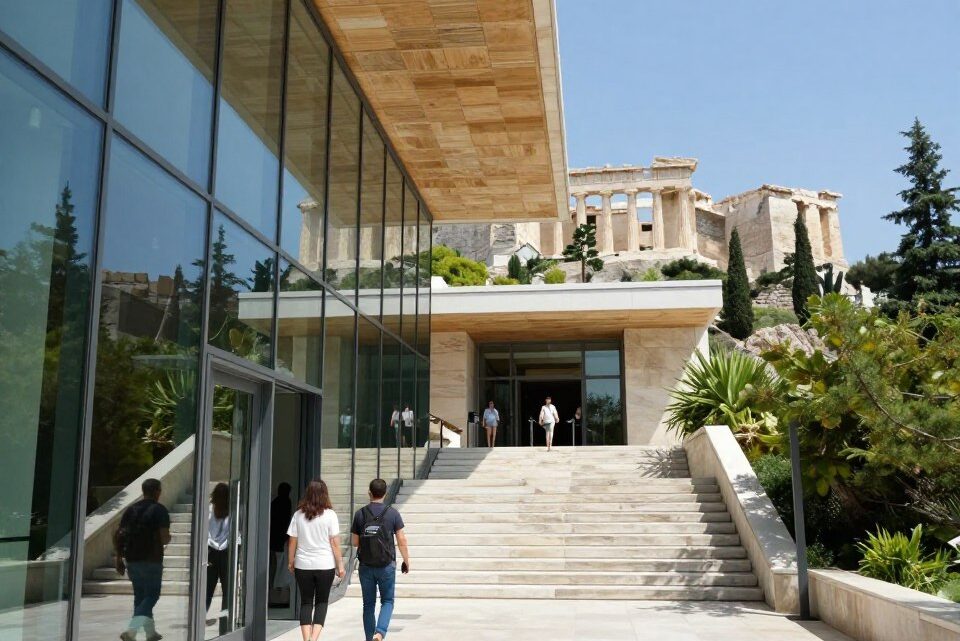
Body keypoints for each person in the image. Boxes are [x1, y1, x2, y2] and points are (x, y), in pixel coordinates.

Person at [351, 479, 410, 641]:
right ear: (385, 493)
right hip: (386, 565)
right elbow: (402, 540)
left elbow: (355, 542)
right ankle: (380, 632)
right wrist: (406, 561)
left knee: (368, 605)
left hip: (366, 566)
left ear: (369, 492)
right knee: (388, 601)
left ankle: (370, 638)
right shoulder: (393, 513)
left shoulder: (360, 514)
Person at [287, 479, 345, 641]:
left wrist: (291, 561)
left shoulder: (298, 515)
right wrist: (340, 566)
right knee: (321, 602)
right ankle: (313, 639)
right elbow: (335, 543)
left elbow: (292, 541)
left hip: (303, 565)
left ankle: (306, 640)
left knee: (306, 602)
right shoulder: (330, 515)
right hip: (325, 565)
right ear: (324, 495)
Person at [114, 478, 171, 641]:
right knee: (152, 595)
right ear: (157, 492)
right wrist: (169, 538)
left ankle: (150, 633)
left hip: (132, 559)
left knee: (140, 597)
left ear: (143, 491)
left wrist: (119, 557)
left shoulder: (131, 510)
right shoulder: (159, 510)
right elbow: (164, 538)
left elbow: (119, 535)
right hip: (151, 560)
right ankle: (132, 631)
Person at [205, 483, 230, 626]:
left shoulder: (209, 510)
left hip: (211, 552)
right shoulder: (234, 510)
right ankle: (225, 617)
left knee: (208, 587)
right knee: (227, 588)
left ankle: (201, 613)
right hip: (226, 551)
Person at [270, 482, 293, 592]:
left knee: (276, 563)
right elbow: (286, 521)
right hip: (282, 537)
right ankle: (278, 584)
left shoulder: (274, 503)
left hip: (274, 537)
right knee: (280, 563)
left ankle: (274, 584)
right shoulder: (286, 502)